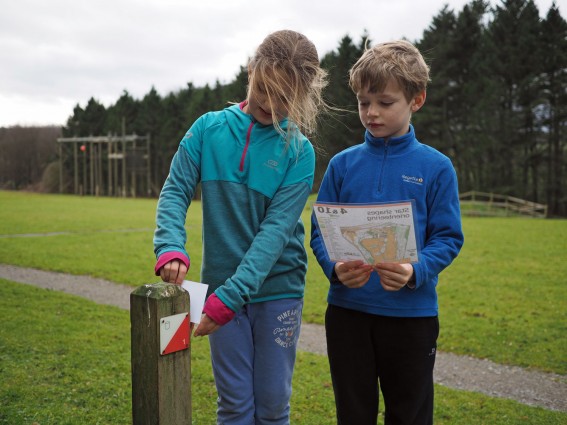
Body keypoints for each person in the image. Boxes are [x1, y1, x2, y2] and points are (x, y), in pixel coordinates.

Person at [153, 30, 328, 425]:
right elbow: (175, 189)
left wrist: (228, 299)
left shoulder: (299, 153)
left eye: (285, 98)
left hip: (277, 290)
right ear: (251, 69)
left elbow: (273, 236)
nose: (270, 104)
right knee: (233, 406)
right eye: (265, 88)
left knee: (271, 406)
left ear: (302, 97)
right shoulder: (206, 130)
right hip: (218, 288)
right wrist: (169, 246)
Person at [310, 40, 464, 425]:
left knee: (409, 415)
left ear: (417, 100)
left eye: (385, 102)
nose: (372, 112)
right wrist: (334, 267)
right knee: (353, 414)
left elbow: (448, 237)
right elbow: (319, 229)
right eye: (364, 102)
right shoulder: (342, 165)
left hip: (412, 316)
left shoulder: (437, 167)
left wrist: (416, 270)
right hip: (348, 314)